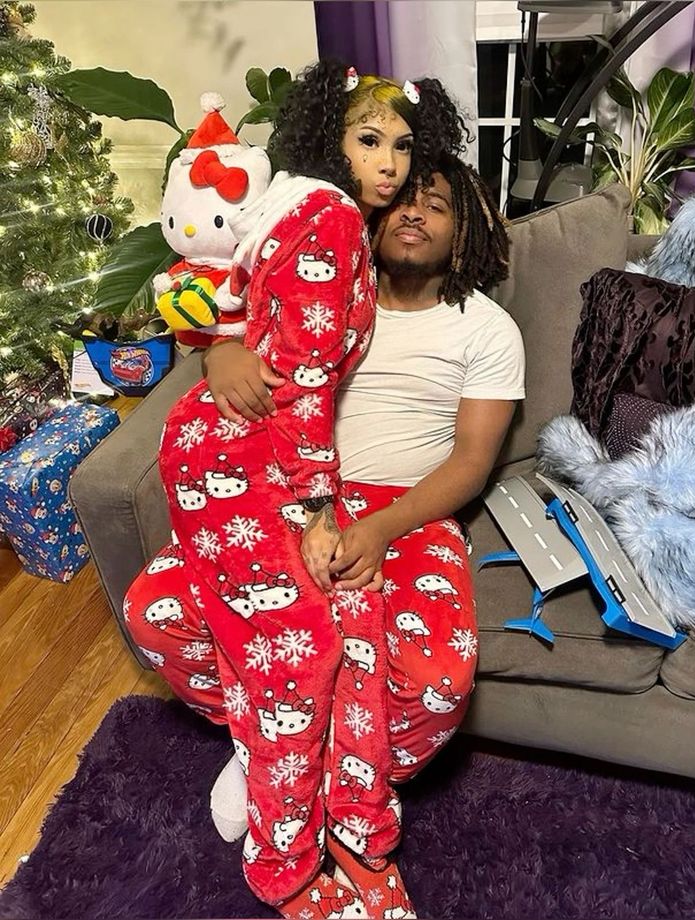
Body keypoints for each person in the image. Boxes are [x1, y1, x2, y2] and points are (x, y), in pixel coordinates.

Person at [124, 60, 466, 918]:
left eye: (402, 146)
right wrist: (318, 508)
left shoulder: (308, 211)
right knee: (300, 652)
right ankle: (284, 870)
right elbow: (306, 386)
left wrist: (224, 344)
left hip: (249, 454)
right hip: (237, 460)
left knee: (325, 647)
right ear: (325, 136)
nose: (390, 164)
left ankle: (357, 829)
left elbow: (252, 315)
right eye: (368, 140)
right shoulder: (330, 223)